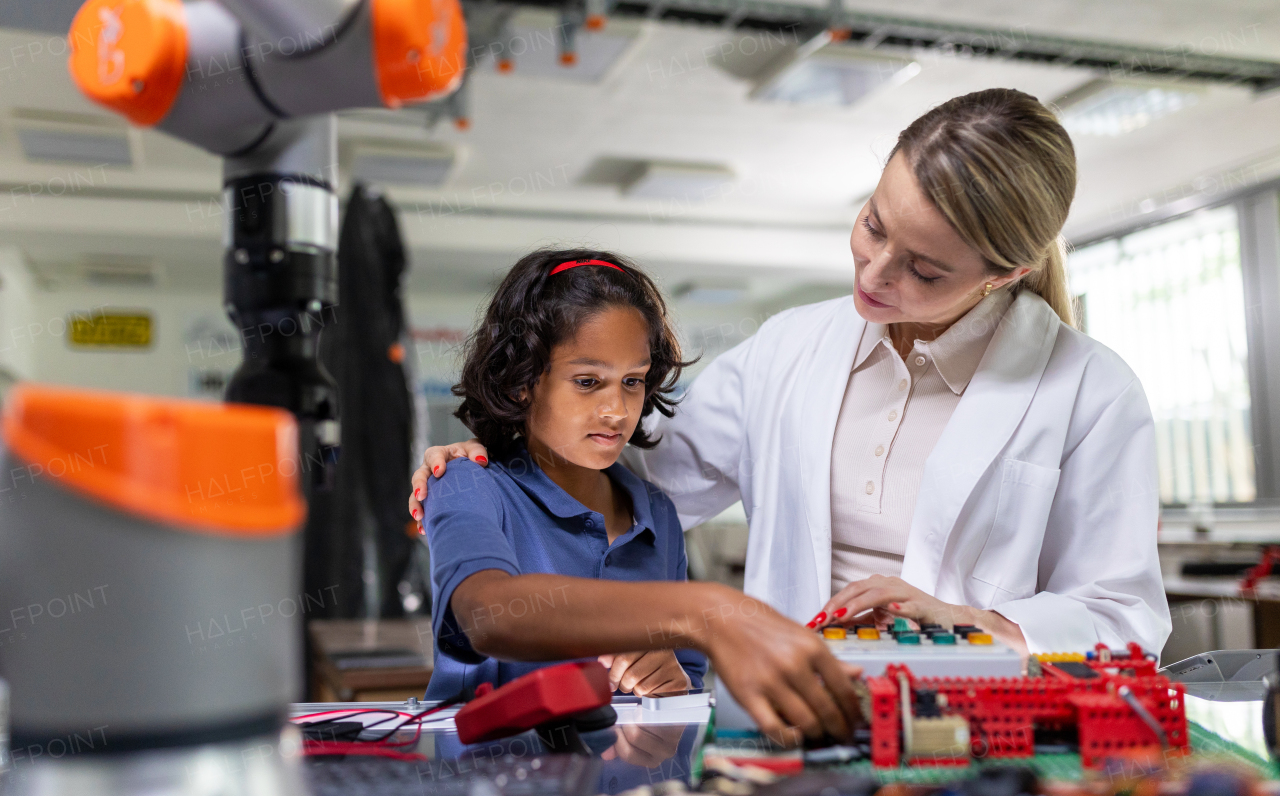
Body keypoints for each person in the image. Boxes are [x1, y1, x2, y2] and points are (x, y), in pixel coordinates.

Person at [409, 89, 1172, 658]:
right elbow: (636, 476)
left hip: (968, 719)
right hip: (791, 706)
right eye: (873, 224)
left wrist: (979, 622)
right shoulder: (789, 348)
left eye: (924, 270)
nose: (874, 274)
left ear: (1002, 275)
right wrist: (491, 468)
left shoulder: (1091, 391)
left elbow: (1124, 616)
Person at [412, 248, 862, 745]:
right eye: (588, 382)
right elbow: (490, 614)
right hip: (489, 782)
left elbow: (682, 691)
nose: (616, 409)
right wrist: (702, 609)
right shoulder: (465, 482)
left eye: (632, 381)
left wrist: (666, 689)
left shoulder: (657, 513)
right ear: (522, 385)